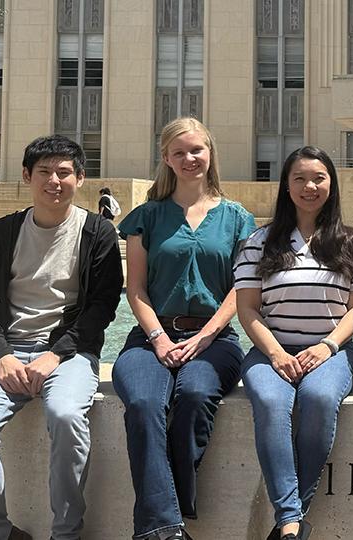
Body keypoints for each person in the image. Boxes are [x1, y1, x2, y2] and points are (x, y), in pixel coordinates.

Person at [0, 135, 123, 540]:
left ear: (79, 178)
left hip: (68, 356)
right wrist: (1, 356)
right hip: (7, 356)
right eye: (45, 172)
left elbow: (101, 308)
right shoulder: (2, 232)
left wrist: (55, 355)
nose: (54, 180)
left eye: (64, 172)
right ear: (28, 177)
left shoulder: (97, 232)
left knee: (66, 417)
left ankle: (66, 533)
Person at [112, 117, 256, 540]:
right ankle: (166, 528)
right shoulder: (146, 217)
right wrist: (158, 338)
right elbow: (135, 288)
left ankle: (159, 522)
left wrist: (205, 335)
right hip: (150, 337)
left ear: (210, 153)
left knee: (193, 394)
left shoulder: (237, 218)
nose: (190, 158)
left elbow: (241, 290)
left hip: (216, 341)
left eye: (197, 150)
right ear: (166, 159)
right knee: (142, 402)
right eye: (180, 152)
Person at [234, 146, 353, 540]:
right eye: (299, 178)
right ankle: (292, 523)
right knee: (273, 401)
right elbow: (248, 310)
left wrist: (327, 347)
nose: (309, 186)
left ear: (332, 184)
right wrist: (276, 354)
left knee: (319, 399)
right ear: (286, 186)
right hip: (269, 351)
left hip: (333, 351)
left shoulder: (352, 243)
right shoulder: (259, 242)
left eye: (318, 178)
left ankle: (288, 520)